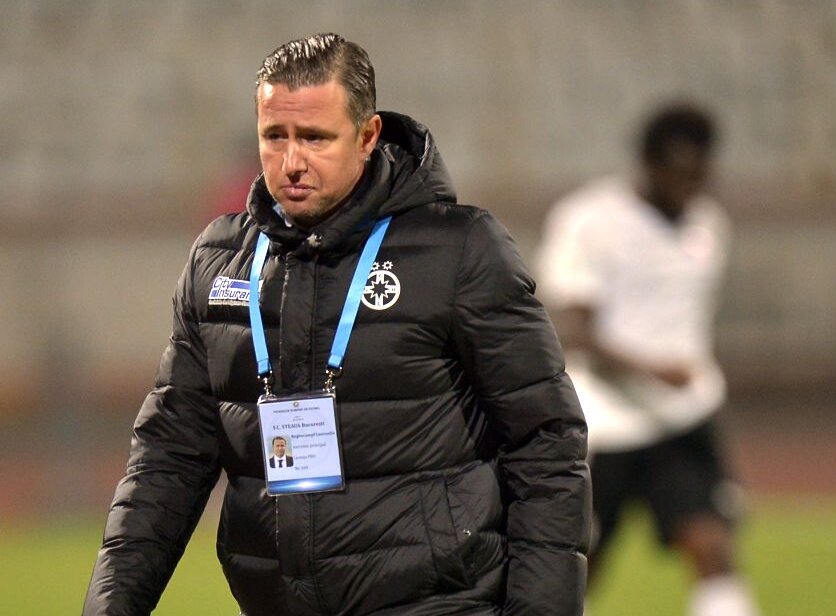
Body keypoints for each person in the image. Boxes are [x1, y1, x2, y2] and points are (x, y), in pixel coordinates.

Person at [83, 33, 590, 616]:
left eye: (315, 138)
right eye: (275, 136)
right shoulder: (220, 263)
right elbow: (168, 458)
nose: (291, 162)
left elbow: (545, 441)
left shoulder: (459, 251)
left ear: (368, 136)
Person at [535, 104, 760, 616]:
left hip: (680, 420)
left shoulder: (709, 226)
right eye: (678, 172)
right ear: (649, 163)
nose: (688, 186)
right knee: (578, 568)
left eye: (698, 174)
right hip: (603, 423)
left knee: (713, 548)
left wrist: (683, 375)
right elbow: (573, 328)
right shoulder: (590, 219)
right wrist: (652, 368)